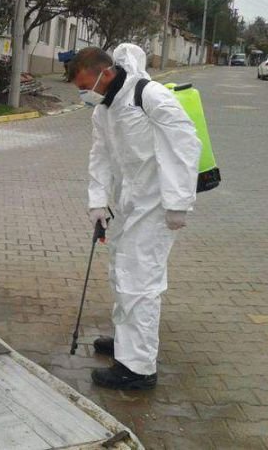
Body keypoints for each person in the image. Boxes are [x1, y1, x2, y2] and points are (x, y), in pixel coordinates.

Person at [69, 44, 201, 390]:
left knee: (140, 281)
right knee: (121, 272)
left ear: (105, 73)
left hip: (156, 205)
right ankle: (125, 343)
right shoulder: (104, 111)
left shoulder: (150, 96)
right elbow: (99, 156)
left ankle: (138, 368)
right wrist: (97, 202)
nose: (83, 94)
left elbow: (185, 145)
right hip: (129, 203)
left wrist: (178, 202)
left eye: (84, 86)